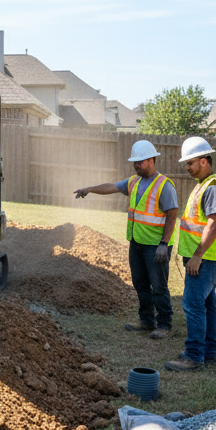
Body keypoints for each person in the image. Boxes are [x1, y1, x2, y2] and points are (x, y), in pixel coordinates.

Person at [74, 140, 179, 338]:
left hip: (156, 247)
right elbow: (111, 187)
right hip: (136, 243)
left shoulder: (164, 185)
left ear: (152, 160)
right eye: (135, 162)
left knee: (158, 286)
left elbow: (172, 216)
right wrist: (89, 189)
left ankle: (164, 325)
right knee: (140, 284)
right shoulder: (133, 182)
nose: (136, 165)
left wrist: (164, 245)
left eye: (140, 162)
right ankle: (146, 320)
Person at [165, 135, 216, 372]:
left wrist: (197, 255)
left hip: (206, 259)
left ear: (204, 161)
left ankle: (194, 356)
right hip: (208, 258)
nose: (187, 168)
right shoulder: (205, 185)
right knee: (208, 304)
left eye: (191, 163)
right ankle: (208, 352)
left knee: (193, 304)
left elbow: (213, 223)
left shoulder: (213, 188)